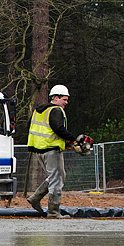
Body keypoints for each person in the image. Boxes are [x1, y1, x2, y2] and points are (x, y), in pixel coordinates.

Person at [26, 85, 91, 218]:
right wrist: (73, 140)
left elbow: (31, 127)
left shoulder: (38, 111)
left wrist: (66, 143)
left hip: (39, 151)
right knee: (57, 180)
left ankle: (35, 198)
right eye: (64, 99)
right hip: (51, 151)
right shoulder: (56, 110)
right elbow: (58, 129)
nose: (66, 102)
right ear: (56, 98)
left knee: (57, 176)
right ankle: (53, 212)